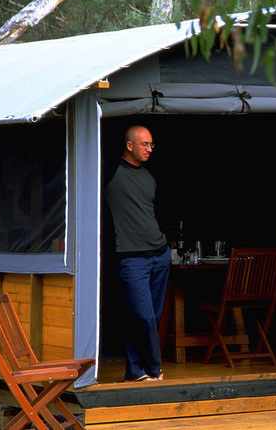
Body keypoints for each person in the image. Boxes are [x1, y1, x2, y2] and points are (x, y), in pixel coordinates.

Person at [103, 125, 170, 382]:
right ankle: (155, 369)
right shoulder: (109, 171)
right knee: (143, 317)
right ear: (129, 145)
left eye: (151, 145)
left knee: (148, 316)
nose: (149, 149)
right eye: (144, 145)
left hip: (159, 254)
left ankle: (135, 371)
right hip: (130, 257)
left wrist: (166, 242)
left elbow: (158, 212)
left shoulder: (149, 176)